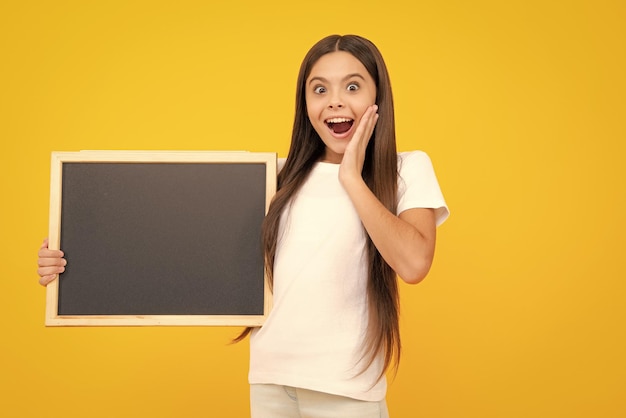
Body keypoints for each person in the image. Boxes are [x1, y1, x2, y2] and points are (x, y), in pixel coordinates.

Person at [37, 34, 449, 417]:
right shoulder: (275, 177)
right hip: (270, 385)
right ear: (304, 103)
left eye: (353, 87)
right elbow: (168, 241)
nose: (335, 102)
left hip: (347, 393)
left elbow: (413, 263)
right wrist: (72, 264)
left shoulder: (405, 169)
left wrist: (352, 179)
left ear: (379, 95)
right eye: (319, 89)